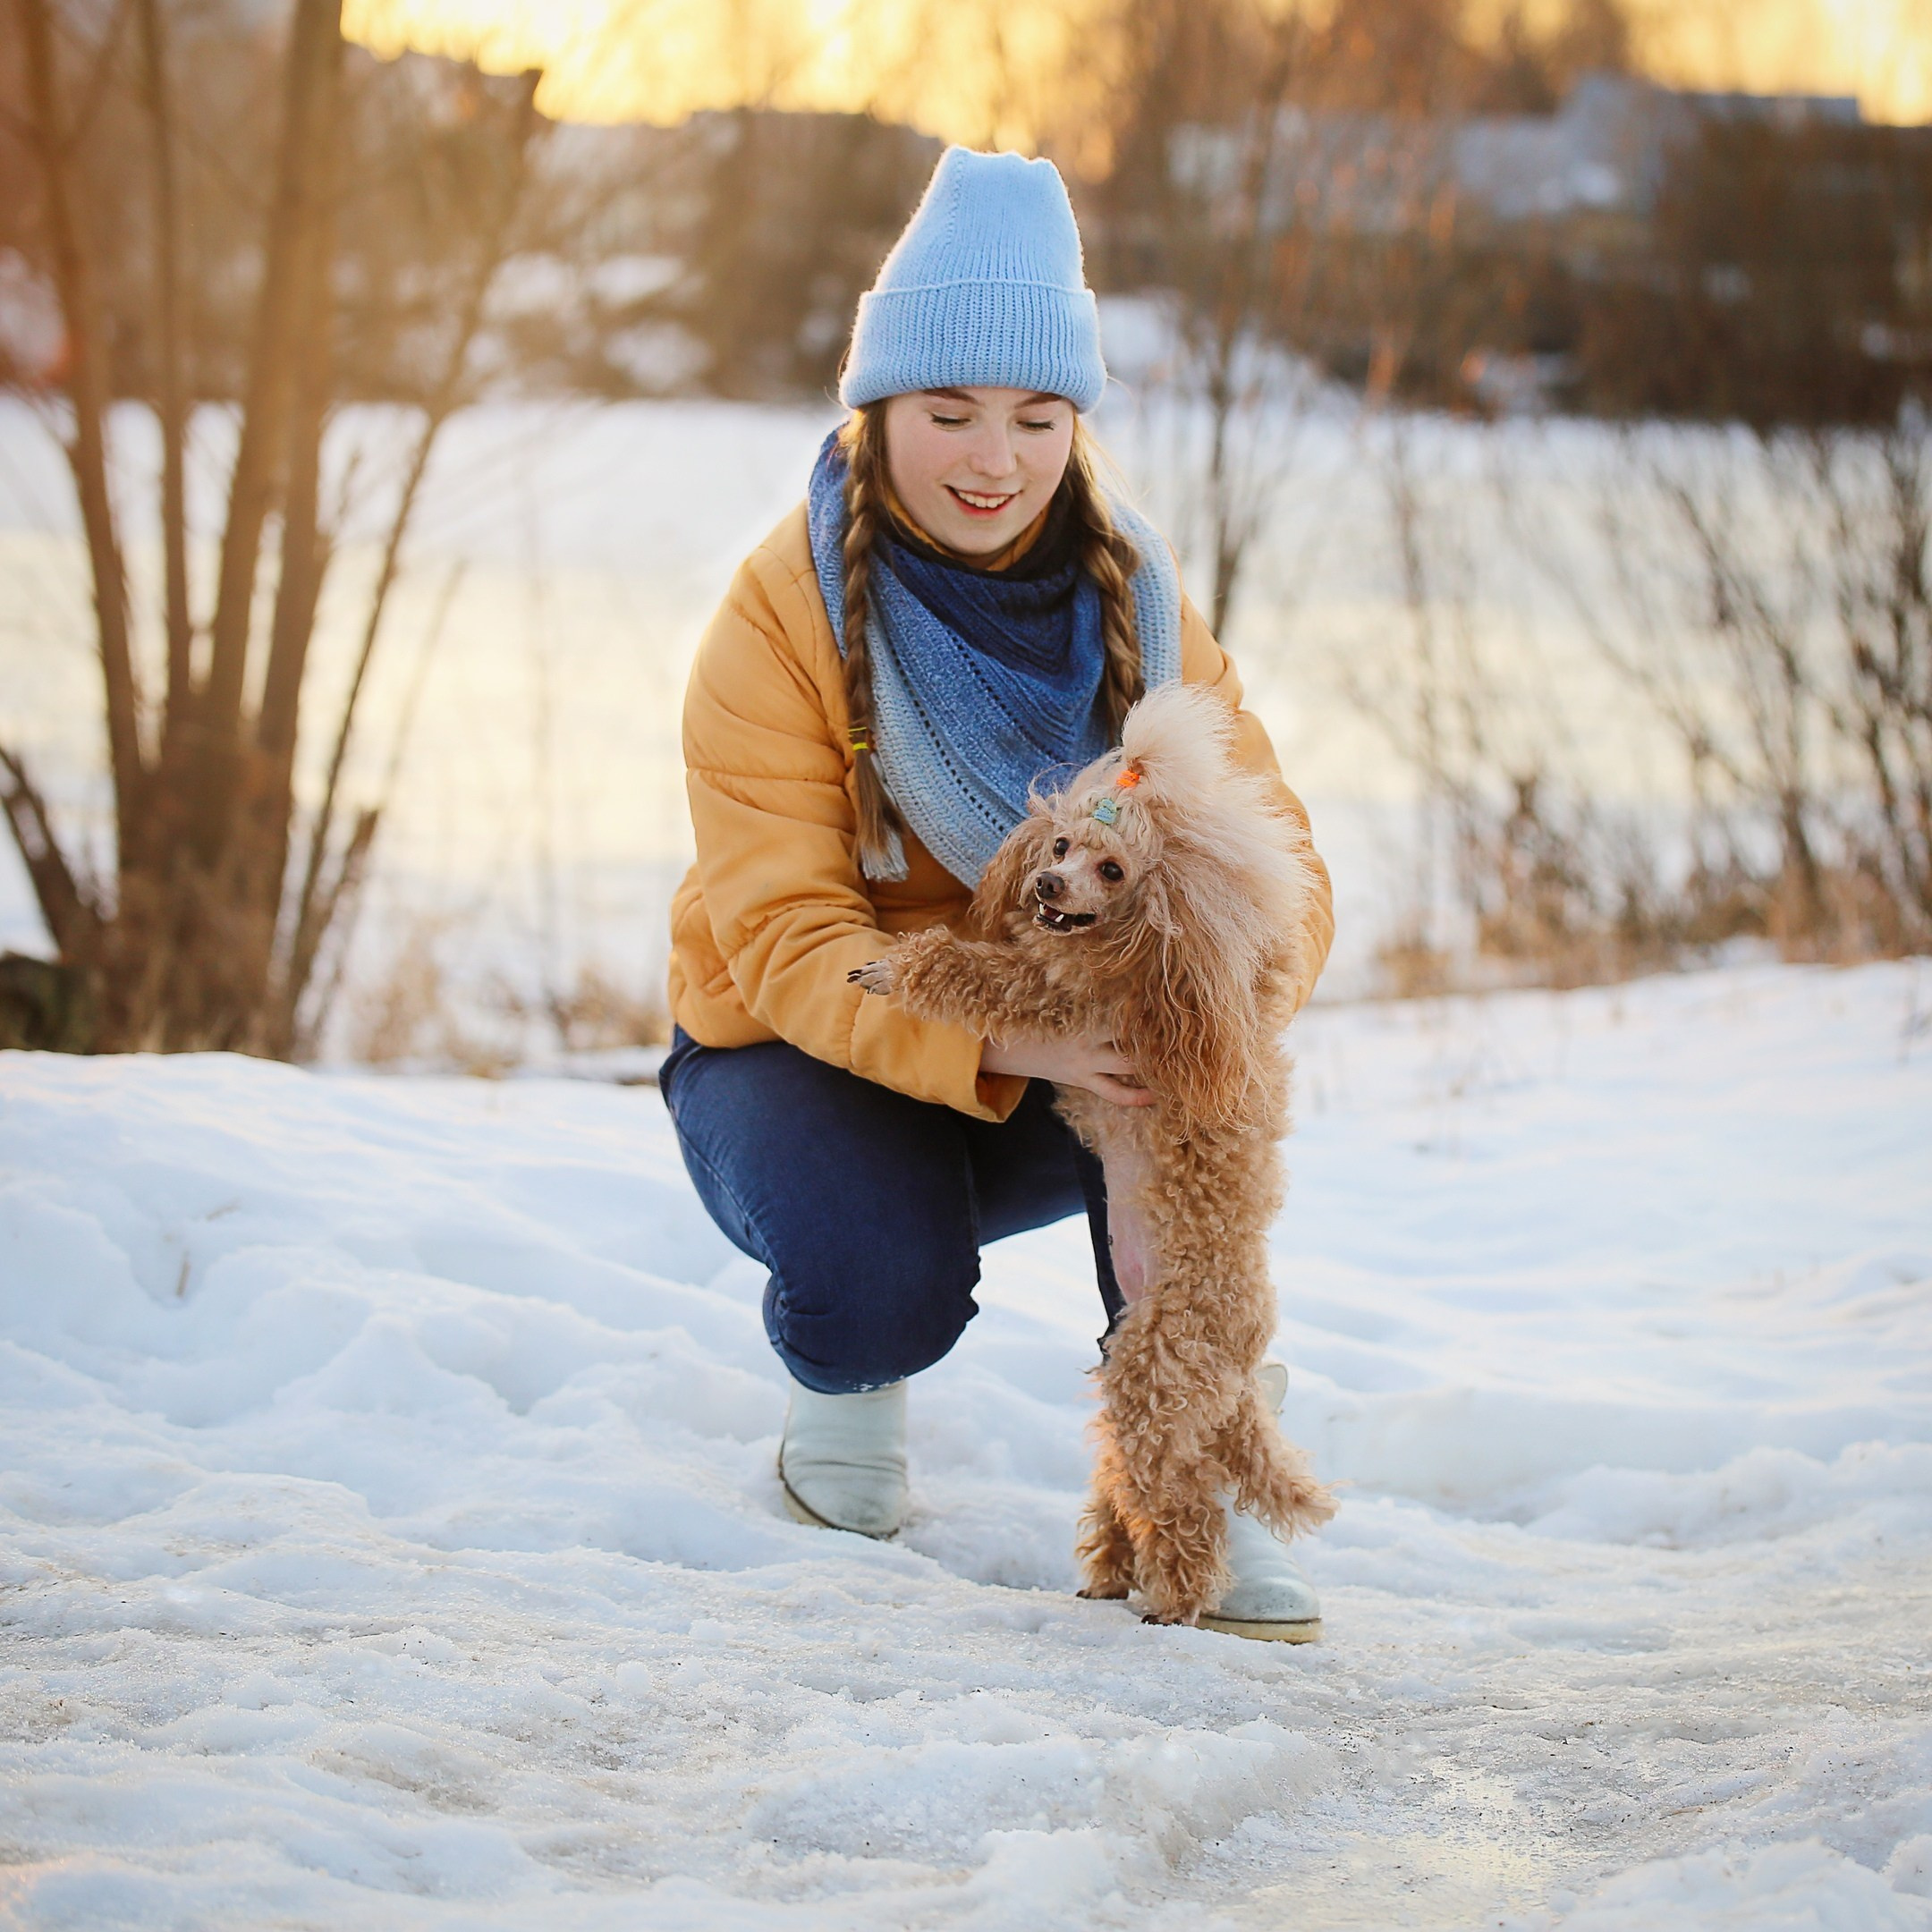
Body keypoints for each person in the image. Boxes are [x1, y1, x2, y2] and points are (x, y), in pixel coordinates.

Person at [659, 147, 1335, 1636]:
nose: (992, 457)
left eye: (1037, 418)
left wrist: (1207, 1002)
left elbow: (1278, 864)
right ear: (879, 408)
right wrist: (1005, 1043)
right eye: (948, 411)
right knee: (884, 1277)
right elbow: (780, 934)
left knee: (1191, 1092)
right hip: (804, 1045)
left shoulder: (1141, 608)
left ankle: (1202, 1468)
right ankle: (846, 1393)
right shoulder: (779, 617)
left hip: (1078, 1047)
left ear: (1074, 426)